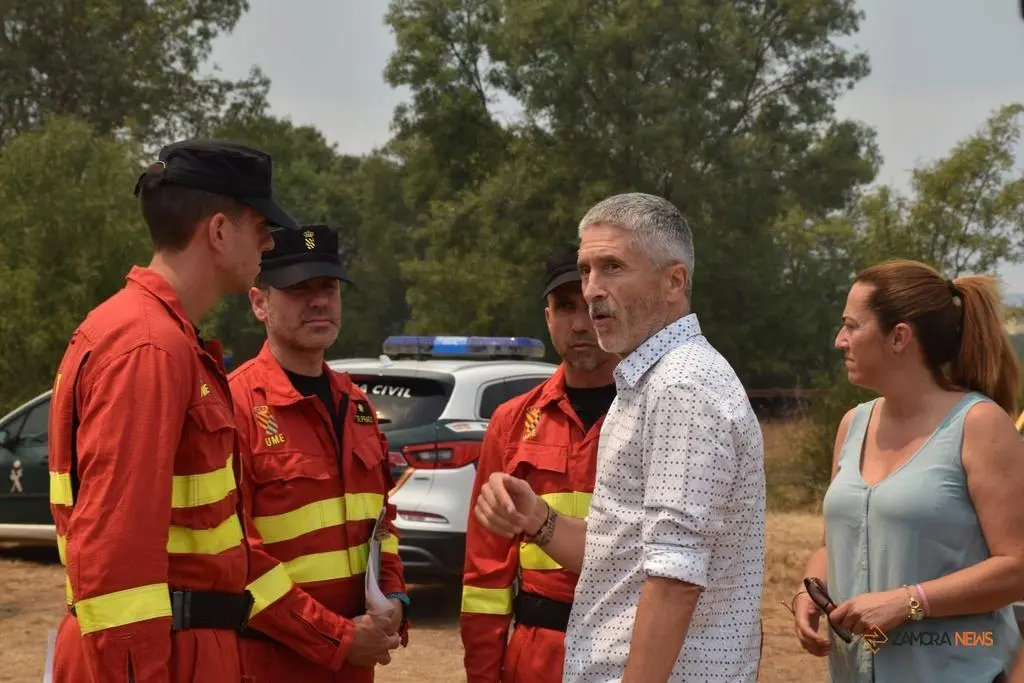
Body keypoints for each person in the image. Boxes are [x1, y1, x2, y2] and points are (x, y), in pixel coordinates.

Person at [473, 192, 766, 683]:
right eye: (586, 270)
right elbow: (625, 555)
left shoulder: (681, 386)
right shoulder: (648, 383)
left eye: (612, 268)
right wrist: (539, 519)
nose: (591, 290)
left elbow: (675, 575)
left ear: (675, 281)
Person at [47, 139, 300, 683]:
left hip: (177, 646)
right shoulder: (149, 346)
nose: (267, 241)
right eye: (259, 225)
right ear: (217, 231)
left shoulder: (150, 335)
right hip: (163, 654)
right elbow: (116, 555)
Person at [791, 259, 1024, 683]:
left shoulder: (980, 425)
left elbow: (1018, 567)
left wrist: (910, 601)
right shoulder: (852, 424)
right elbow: (834, 543)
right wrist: (812, 587)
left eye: (851, 325)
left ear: (899, 337)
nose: (839, 340)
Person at [229, 224, 409, 683]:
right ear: (259, 302)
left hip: (353, 665)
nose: (319, 301)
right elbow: (236, 559)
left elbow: (379, 524)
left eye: (328, 286)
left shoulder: (358, 406)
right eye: (297, 288)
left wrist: (394, 597)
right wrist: (339, 637)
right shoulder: (235, 407)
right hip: (270, 662)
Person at [460, 244, 619, 683]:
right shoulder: (511, 423)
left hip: (629, 647)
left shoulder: (652, 413)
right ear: (548, 317)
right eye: (566, 307)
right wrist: (483, 675)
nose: (581, 323)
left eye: (592, 305)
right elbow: (484, 573)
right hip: (536, 656)